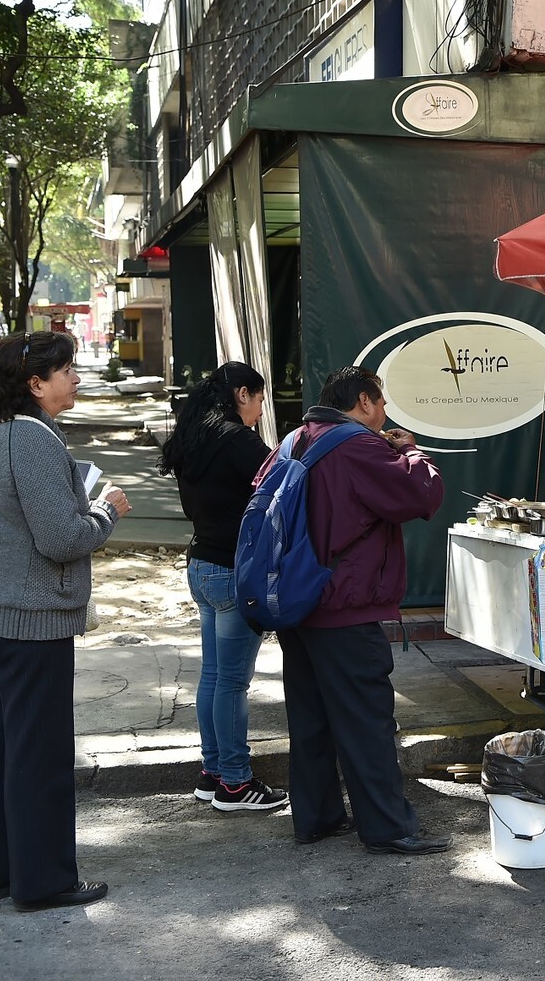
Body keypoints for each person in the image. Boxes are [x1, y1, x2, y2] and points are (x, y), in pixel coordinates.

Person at [0, 331, 130, 911]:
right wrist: (105, 508)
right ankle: (45, 880)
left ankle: (4, 870)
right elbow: (63, 538)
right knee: (41, 754)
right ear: (35, 383)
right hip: (27, 619)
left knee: (5, 745)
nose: (76, 379)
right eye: (67, 370)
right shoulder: (31, 439)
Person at [262, 366, 448, 853]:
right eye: (381, 403)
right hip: (344, 605)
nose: (384, 414)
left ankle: (317, 818)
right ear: (364, 401)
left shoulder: (294, 440)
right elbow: (421, 494)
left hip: (298, 602)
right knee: (367, 723)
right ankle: (389, 829)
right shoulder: (357, 445)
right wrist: (410, 450)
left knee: (311, 720)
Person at [159, 362, 289, 812]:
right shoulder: (237, 440)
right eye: (258, 398)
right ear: (241, 394)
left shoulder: (194, 436)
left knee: (214, 676)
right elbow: (287, 481)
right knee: (232, 682)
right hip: (234, 568)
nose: (259, 409)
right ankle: (235, 782)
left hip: (202, 565)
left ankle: (213, 772)